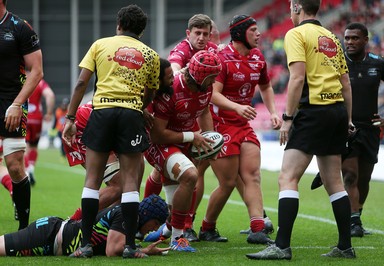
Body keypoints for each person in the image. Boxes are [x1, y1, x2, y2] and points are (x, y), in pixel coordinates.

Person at [246, 0, 355, 260]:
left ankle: (282, 246)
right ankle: (345, 246)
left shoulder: (296, 34)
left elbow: (297, 78)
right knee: (334, 181)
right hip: (337, 110)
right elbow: (346, 82)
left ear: (296, 7)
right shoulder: (331, 37)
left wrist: (287, 118)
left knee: (288, 177)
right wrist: (348, 120)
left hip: (313, 111)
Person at [62, 4, 160, 259]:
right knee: (130, 182)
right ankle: (129, 246)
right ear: (141, 30)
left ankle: (84, 246)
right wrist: (140, 105)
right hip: (131, 116)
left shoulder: (100, 45)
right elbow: (151, 90)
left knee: (92, 180)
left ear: (119, 24)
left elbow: (82, 82)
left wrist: (70, 118)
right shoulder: (150, 55)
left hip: (102, 112)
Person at [199, 15, 281, 245]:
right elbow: (212, 94)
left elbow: (265, 86)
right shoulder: (222, 59)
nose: (258, 34)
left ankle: (257, 228)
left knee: (253, 176)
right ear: (240, 33)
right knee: (226, 183)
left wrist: (273, 112)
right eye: (253, 30)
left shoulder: (258, 58)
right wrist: (237, 107)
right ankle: (207, 227)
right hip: (219, 125)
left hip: (243, 126)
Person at [320, 22, 384, 237]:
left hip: (370, 129)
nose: (350, 42)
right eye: (347, 38)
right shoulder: (335, 62)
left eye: (355, 38)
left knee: (364, 178)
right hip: (344, 128)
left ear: (366, 40)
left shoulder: (379, 64)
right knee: (350, 175)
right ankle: (353, 221)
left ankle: (357, 216)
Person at [144, 50, 222, 252]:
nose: (215, 80)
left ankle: (168, 229)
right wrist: (192, 136)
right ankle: (178, 239)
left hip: (182, 141)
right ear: (199, 76)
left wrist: (210, 139)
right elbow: (157, 135)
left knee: (179, 188)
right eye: (212, 76)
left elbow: (204, 111)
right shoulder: (171, 90)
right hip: (159, 144)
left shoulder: (206, 87)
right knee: (190, 176)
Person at [0, 194, 170, 257]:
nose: (155, 228)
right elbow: (113, 250)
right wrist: (145, 251)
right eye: (155, 223)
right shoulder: (128, 214)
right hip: (49, 235)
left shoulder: (130, 215)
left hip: (53, 233)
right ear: (146, 214)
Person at [0, 0, 43, 230]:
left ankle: (24, 231)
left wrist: (17, 104)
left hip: (10, 102)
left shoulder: (20, 27)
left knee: (15, 166)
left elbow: (37, 71)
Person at [25, 79, 55, 186]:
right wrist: (49, 113)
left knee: (24, 146)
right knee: (33, 146)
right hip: (37, 118)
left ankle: (27, 170)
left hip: (23, 116)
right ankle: (31, 168)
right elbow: (50, 95)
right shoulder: (39, 81)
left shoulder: (20, 79)